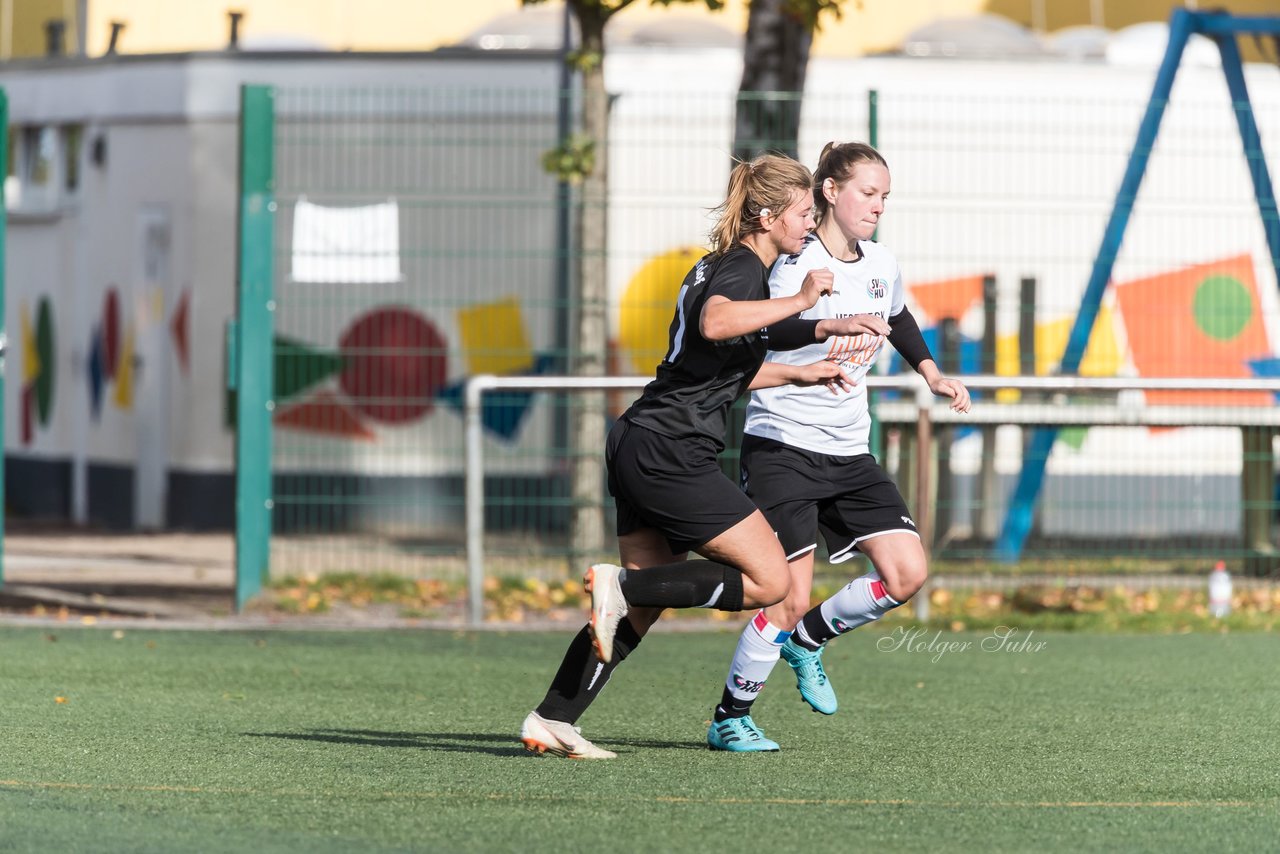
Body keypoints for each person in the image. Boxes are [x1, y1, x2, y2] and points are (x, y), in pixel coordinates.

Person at [521, 153, 886, 759]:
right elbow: (717, 324)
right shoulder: (744, 269)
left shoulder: (721, 266)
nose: (808, 224)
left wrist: (802, 372)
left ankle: (553, 717)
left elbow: (713, 368)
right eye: (801, 213)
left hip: (643, 438)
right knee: (769, 581)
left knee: (639, 608)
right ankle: (623, 584)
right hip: (670, 449)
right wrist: (801, 303)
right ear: (768, 216)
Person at [706, 141, 970, 752]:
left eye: (885, 196)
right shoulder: (792, 264)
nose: (878, 206)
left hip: (851, 451)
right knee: (788, 596)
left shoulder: (881, 261)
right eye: (867, 193)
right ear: (829, 191)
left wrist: (930, 372)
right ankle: (729, 718)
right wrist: (818, 334)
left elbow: (898, 315)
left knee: (907, 574)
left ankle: (809, 643)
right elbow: (756, 337)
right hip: (783, 448)